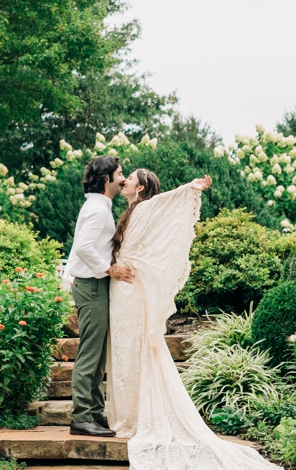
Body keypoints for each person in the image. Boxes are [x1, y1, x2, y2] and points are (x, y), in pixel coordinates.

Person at [106, 169, 280, 469]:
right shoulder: (133, 210)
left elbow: (168, 200)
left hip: (131, 291)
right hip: (122, 289)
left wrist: (191, 187)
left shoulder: (147, 205)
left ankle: (133, 419)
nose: (125, 180)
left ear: (142, 186)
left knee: (132, 351)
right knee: (125, 351)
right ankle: (127, 415)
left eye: (130, 177)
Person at [63, 154, 135, 437]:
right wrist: (110, 269)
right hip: (91, 286)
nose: (123, 177)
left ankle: (95, 413)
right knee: (90, 355)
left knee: (98, 357)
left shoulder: (100, 205)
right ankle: (81, 418)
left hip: (95, 286)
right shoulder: (97, 209)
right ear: (106, 179)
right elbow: (82, 247)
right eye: (119, 173)